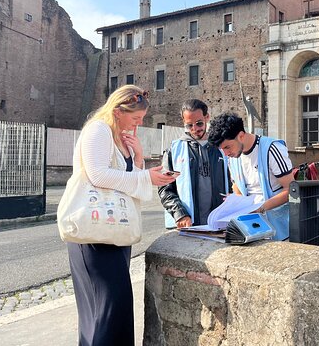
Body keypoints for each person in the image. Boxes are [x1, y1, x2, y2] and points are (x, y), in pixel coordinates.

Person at [65, 85, 177, 346]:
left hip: (113, 231)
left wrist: (138, 158)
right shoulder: (98, 130)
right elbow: (98, 175)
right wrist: (145, 176)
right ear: (117, 111)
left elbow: (127, 181)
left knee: (112, 310)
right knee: (107, 310)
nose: (138, 124)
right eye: (136, 118)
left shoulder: (116, 136)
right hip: (94, 235)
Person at [207, 112, 294, 240]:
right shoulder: (233, 157)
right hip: (249, 229)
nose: (225, 153)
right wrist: (233, 202)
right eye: (222, 149)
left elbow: (291, 190)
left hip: (279, 230)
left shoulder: (272, 148)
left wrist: (261, 208)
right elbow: (237, 185)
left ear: (241, 136)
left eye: (227, 147)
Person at [159, 99, 229, 228]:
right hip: (188, 224)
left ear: (207, 117)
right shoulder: (174, 150)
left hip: (220, 222)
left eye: (199, 123)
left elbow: (235, 184)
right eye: (189, 125)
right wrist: (180, 214)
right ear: (183, 122)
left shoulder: (222, 148)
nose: (194, 129)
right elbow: (165, 188)